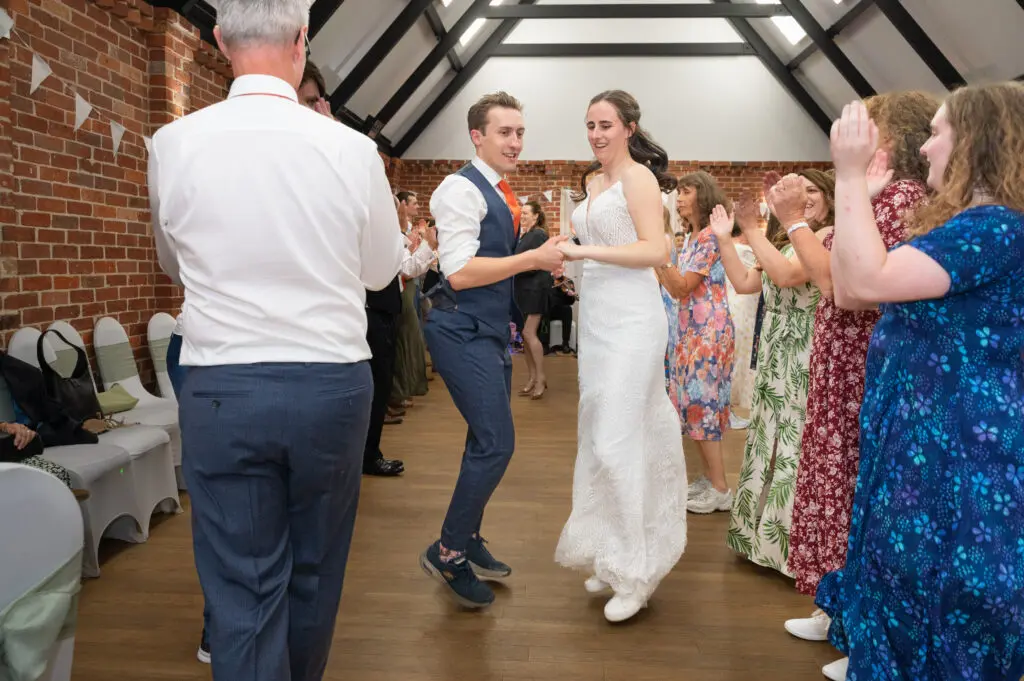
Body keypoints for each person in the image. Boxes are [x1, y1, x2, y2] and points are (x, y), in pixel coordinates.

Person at [147, 1, 404, 679]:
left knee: (240, 585)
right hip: (328, 381)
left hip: (221, 381)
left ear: (219, 40)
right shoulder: (351, 147)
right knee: (314, 569)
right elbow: (382, 270)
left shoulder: (173, 143)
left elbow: (172, 263)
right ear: (301, 41)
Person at [816, 85, 1024, 681]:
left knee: (939, 591)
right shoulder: (970, 224)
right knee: (902, 574)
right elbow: (851, 290)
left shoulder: (994, 228)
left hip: (957, 448)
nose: (926, 145)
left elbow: (871, 281)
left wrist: (849, 176)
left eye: (938, 132)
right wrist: (858, 195)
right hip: (921, 436)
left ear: (976, 142)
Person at [418, 91, 567, 609]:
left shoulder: (497, 188)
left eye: (520, 132)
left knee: (483, 440)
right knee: (496, 444)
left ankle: (468, 532)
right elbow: (458, 273)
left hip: (484, 330)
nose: (516, 142)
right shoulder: (459, 190)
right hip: (458, 328)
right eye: (505, 132)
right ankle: (449, 550)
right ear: (477, 136)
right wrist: (532, 260)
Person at [554, 90, 687, 623]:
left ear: (629, 128)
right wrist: (570, 259)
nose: (596, 134)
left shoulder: (639, 178)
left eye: (605, 124)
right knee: (599, 435)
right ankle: (612, 555)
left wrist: (585, 251)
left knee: (618, 437)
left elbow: (656, 251)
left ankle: (637, 572)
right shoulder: (593, 184)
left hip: (634, 319)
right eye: (589, 124)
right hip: (600, 319)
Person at [512, 200, 553, 398]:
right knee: (525, 335)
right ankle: (532, 377)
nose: (524, 215)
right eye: (523, 213)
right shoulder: (527, 234)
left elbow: (534, 262)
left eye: (527, 213)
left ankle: (541, 377)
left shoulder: (538, 234)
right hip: (524, 289)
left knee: (529, 333)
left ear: (536, 216)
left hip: (535, 289)